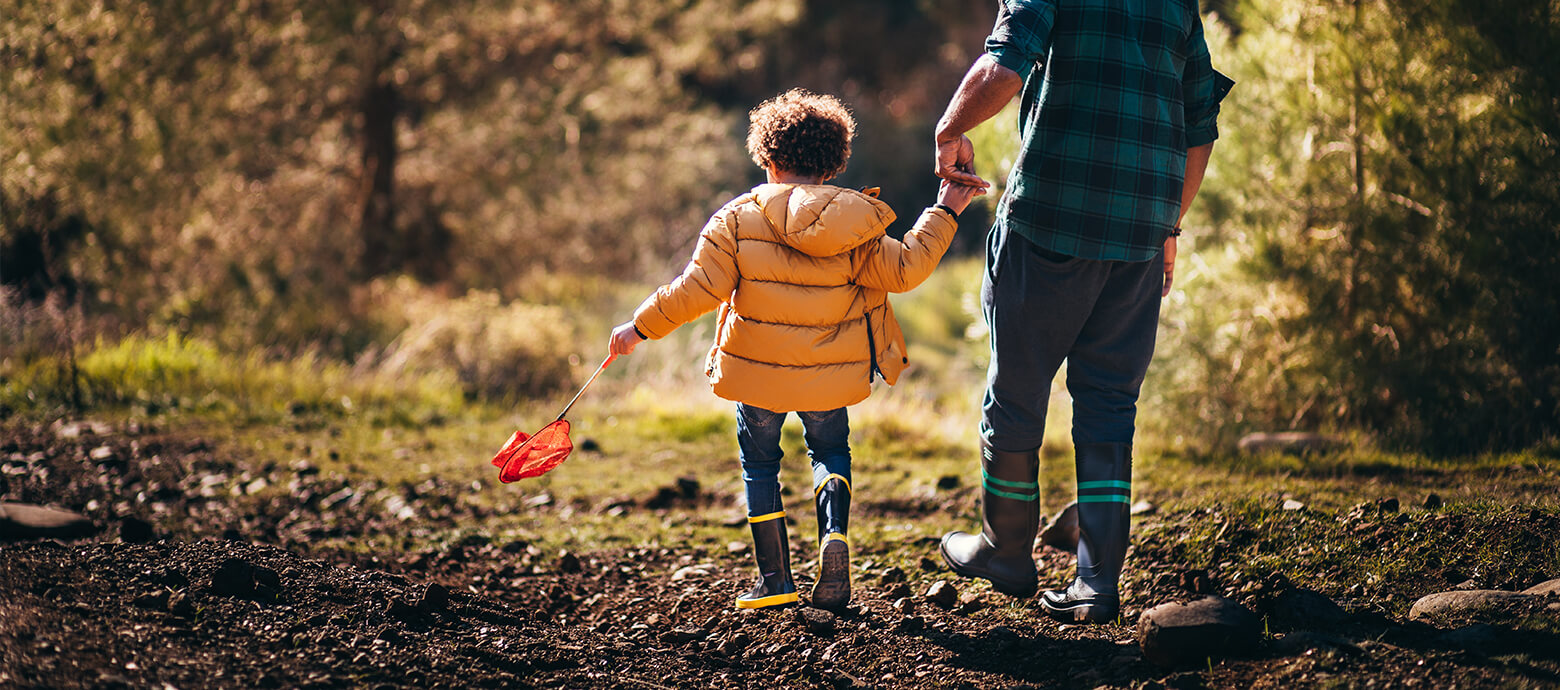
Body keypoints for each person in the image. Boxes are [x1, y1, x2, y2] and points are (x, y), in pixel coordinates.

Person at [609, 89, 986, 611]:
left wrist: (639, 327)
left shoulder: (735, 219)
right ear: (834, 163)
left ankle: (775, 580)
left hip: (756, 378)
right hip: (828, 378)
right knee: (829, 451)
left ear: (767, 157)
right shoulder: (858, 221)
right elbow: (906, 270)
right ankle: (834, 535)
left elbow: (697, 289)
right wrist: (946, 207)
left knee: (760, 465)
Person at [934, 1, 1233, 624]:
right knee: (1109, 404)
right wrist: (1169, 226)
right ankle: (1097, 584)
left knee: (1016, 390)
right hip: (1141, 235)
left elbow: (1005, 65)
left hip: (1050, 222)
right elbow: (1199, 123)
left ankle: (1007, 549)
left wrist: (949, 127)